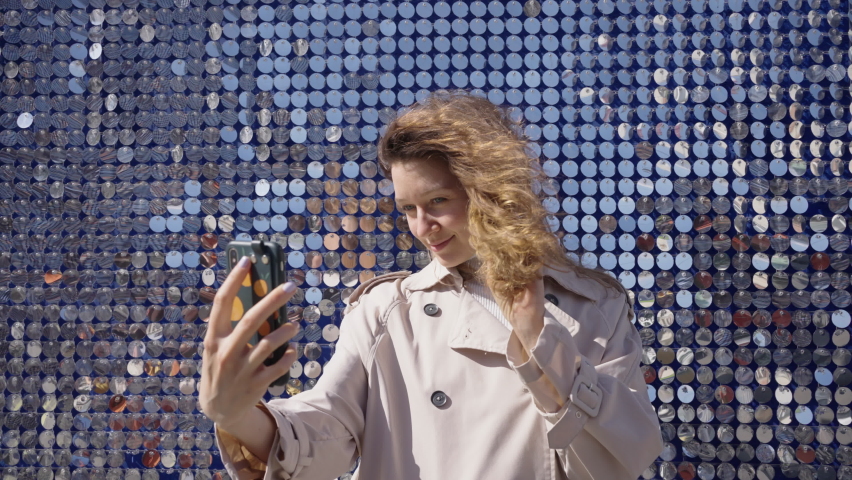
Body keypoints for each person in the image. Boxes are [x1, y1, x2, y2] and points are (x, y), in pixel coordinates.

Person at [200, 90, 664, 480]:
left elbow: (620, 459)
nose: (422, 227)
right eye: (408, 208)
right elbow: (328, 429)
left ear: (489, 190)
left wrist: (541, 342)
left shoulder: (594, 305)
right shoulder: (386, 312)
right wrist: (237, 415)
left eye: (438, 201)